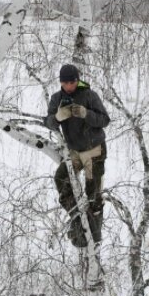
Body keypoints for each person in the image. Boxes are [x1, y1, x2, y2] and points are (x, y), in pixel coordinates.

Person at [45, 64, 110, 247]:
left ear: (77, 80)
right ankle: (77, 218)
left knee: (94, 196)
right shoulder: (57, 98)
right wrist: (58, 117)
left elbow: (105, 120)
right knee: (61, 179)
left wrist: (86, 113)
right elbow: (48, 122)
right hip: (74, 152)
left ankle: (94, 239)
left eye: (72, 82)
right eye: (65, 83)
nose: (69, 86)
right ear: (61, 82)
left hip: (94, 151)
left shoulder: (90, 95)